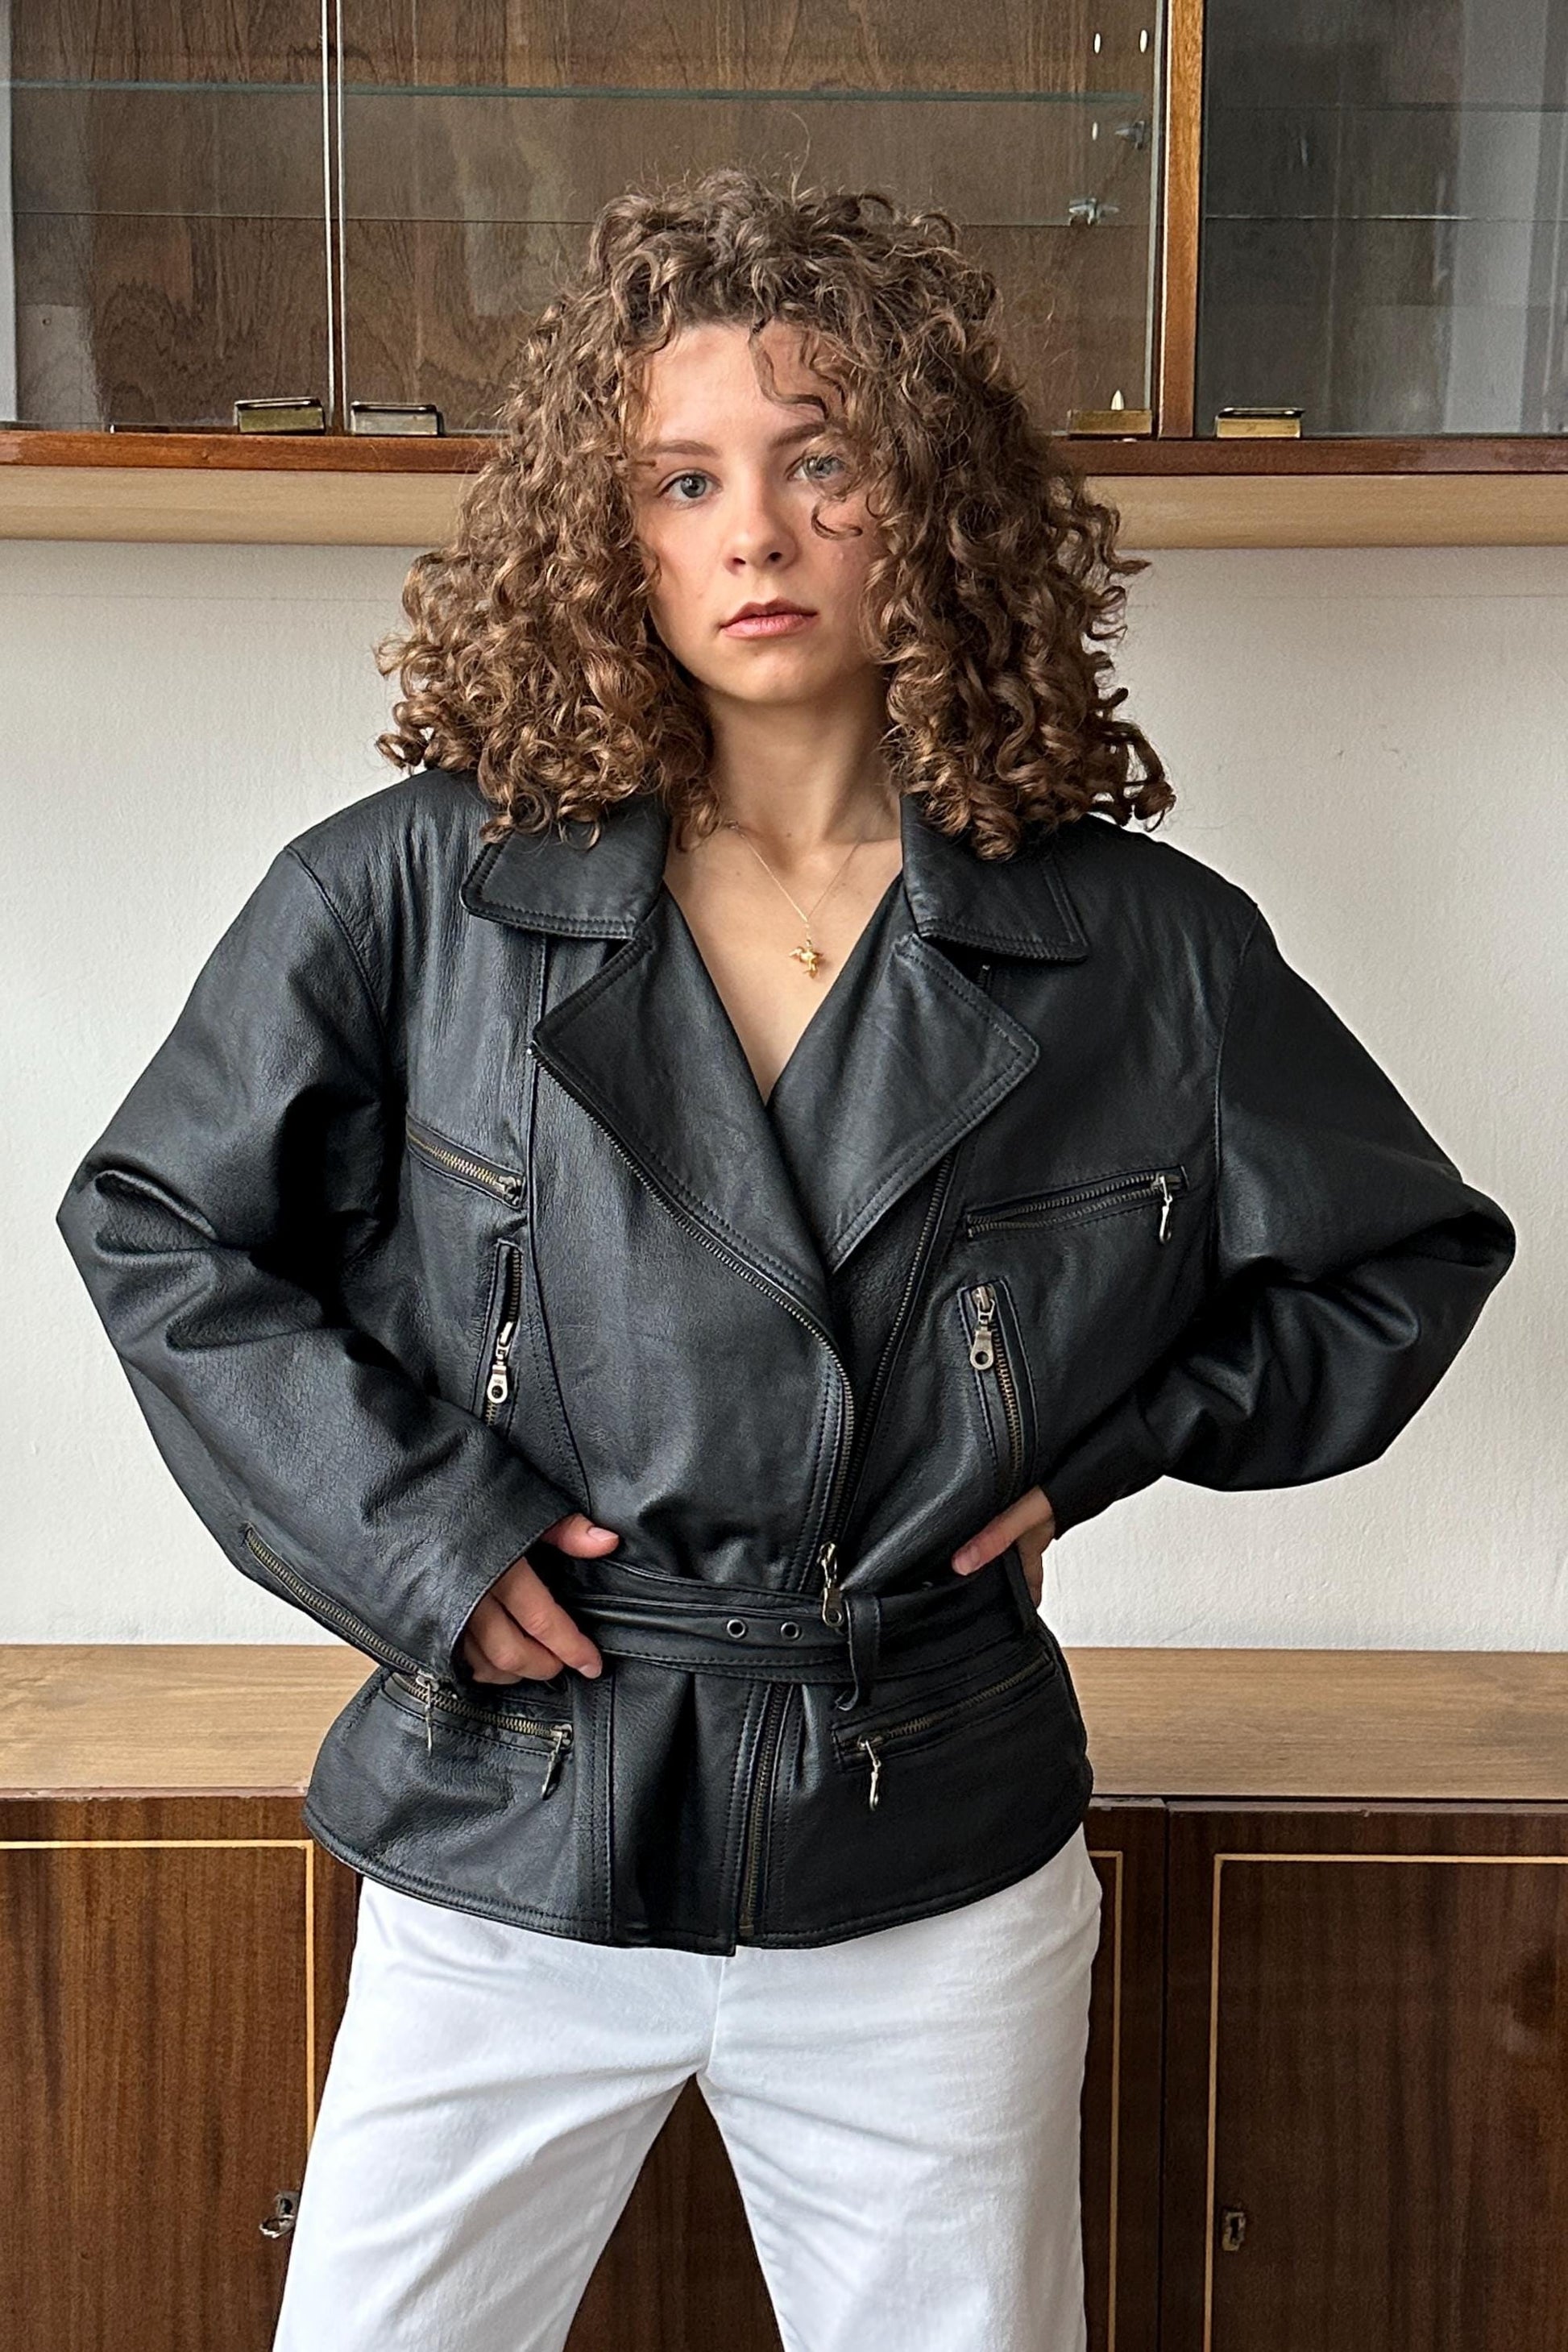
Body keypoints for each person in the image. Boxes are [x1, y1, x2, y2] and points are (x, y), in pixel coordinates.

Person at [54, 166, 1516, 2352]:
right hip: (514, 1823)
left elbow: (1396, 1261)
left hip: (926, 1845)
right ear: (604, 527)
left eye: (817, 461)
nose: (751, 532)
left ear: (924, 504)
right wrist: (427, 1544)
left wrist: (1105, 1450)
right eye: (682, 476)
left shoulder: (1145, 951)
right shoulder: (402, 895)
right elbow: (162, 1222)